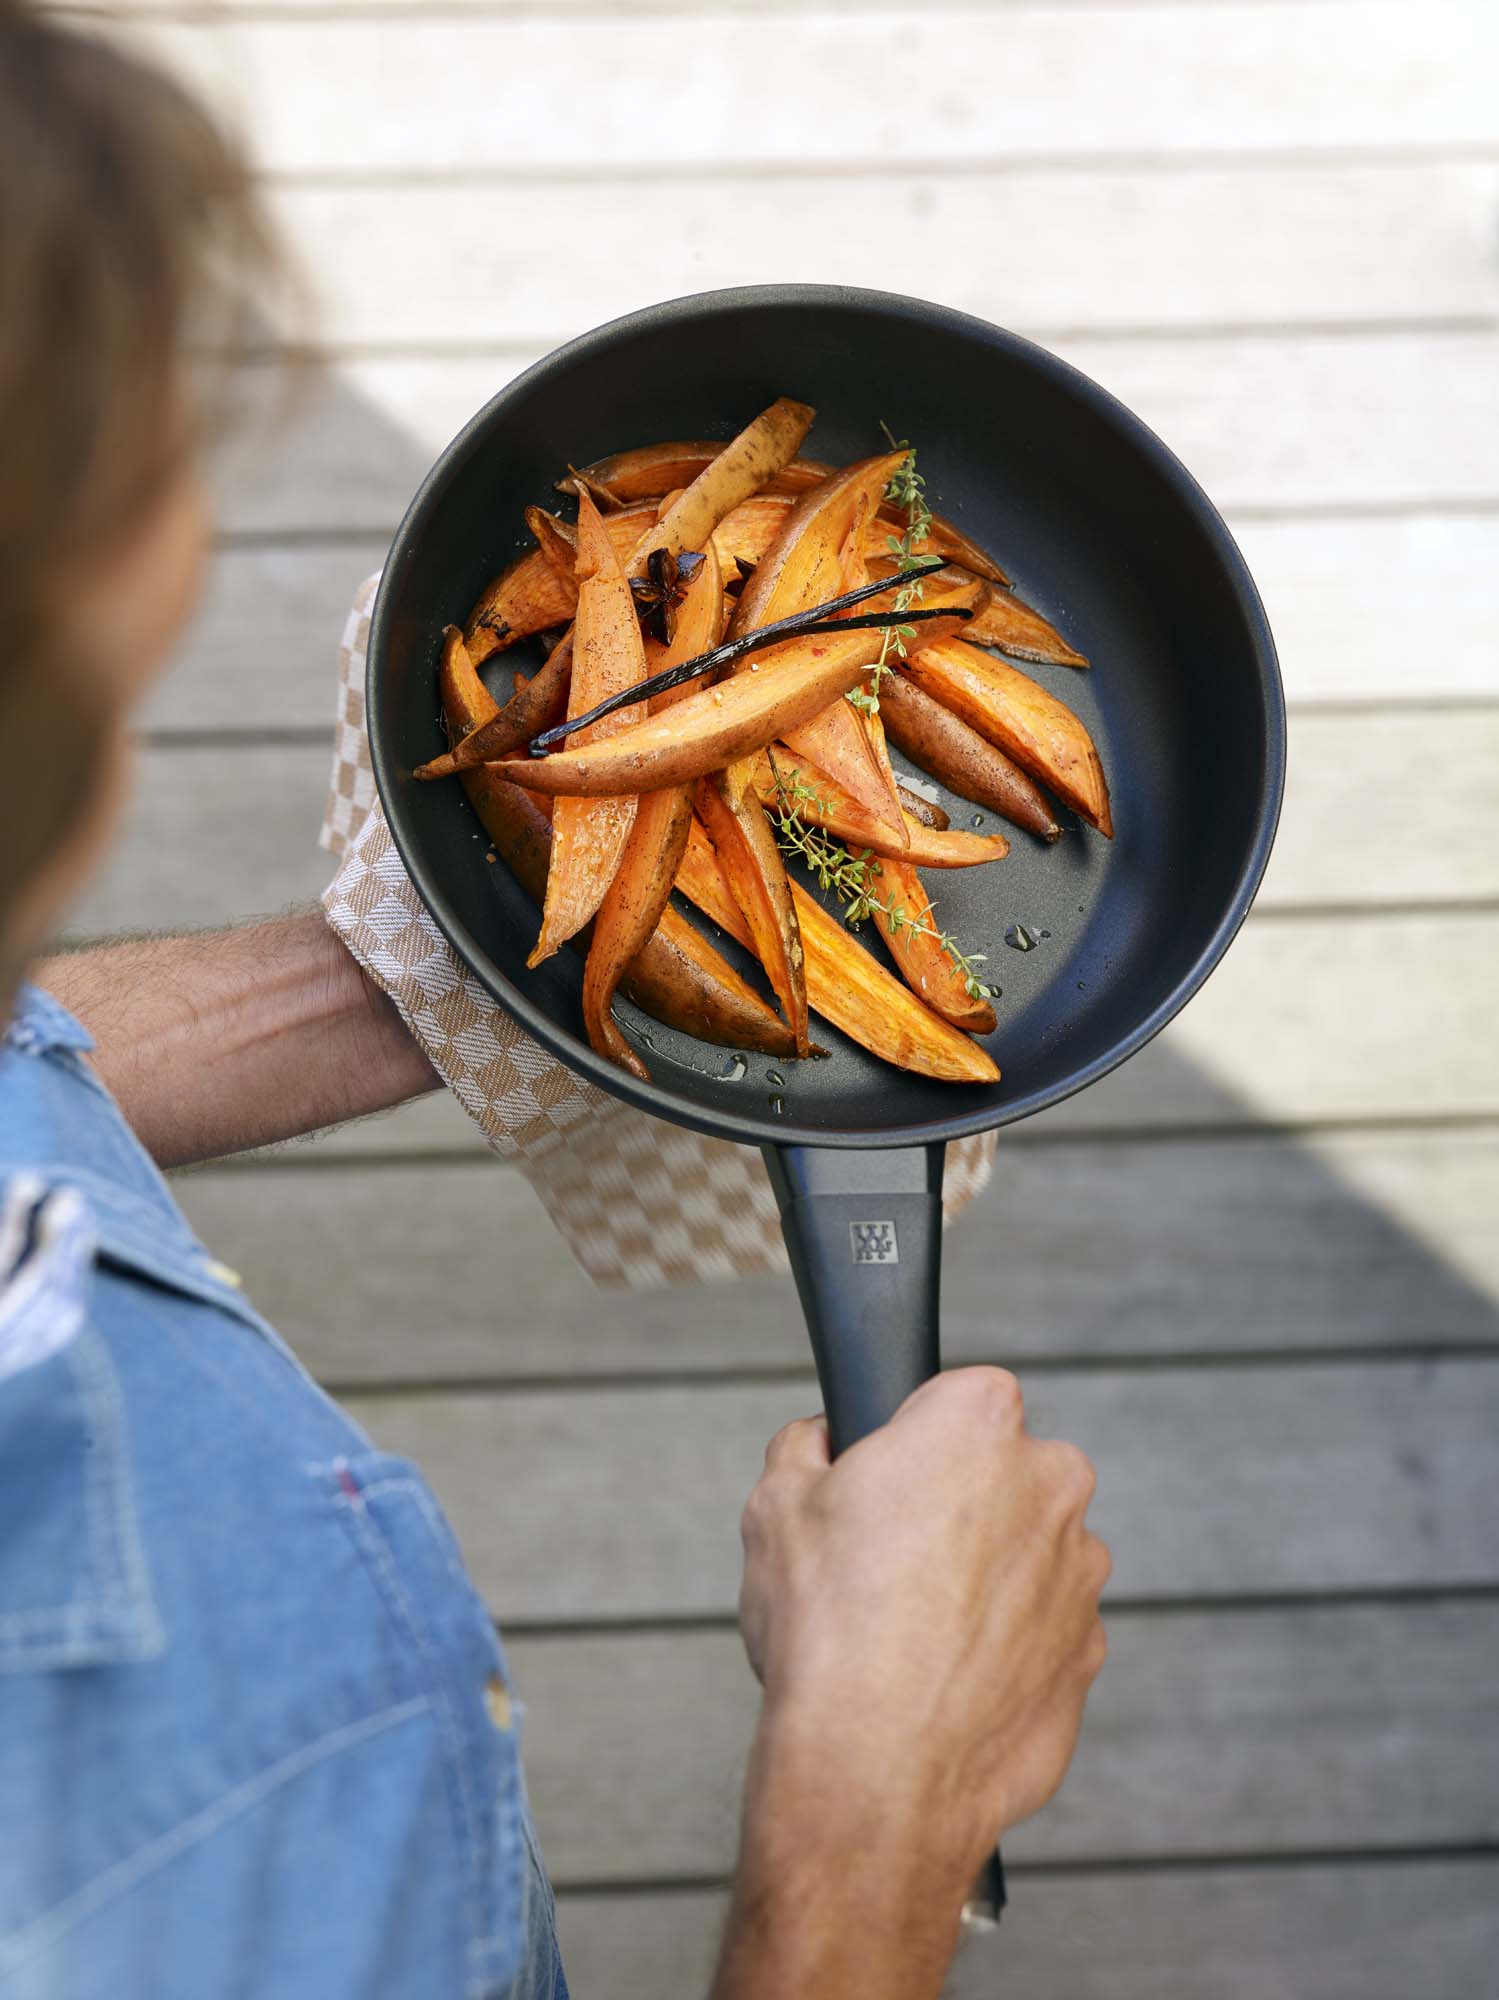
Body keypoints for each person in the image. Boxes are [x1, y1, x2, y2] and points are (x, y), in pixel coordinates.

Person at [0, 8, 1110, 1997]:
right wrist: (873, 1806)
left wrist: (414, 982)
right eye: (166, 445)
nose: (204, 514)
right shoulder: (162, 1828)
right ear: (83, 606)